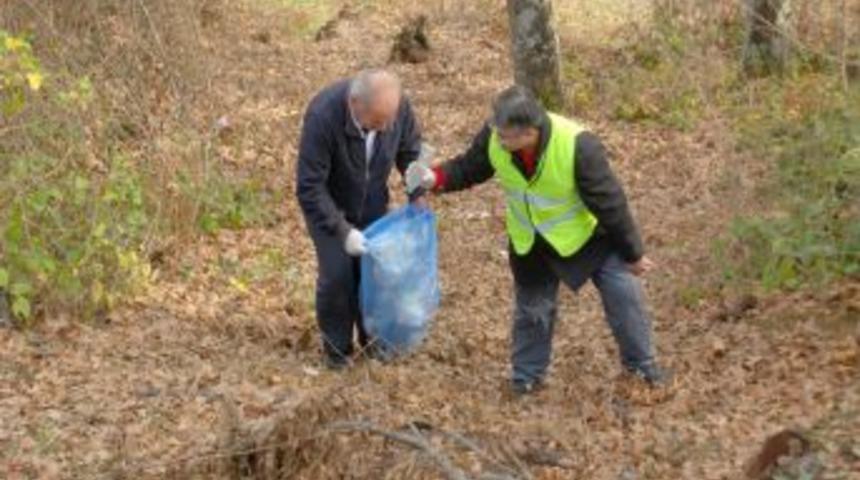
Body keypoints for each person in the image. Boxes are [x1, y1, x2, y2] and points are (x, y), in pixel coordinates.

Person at [406, 86, 670, 394]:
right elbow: (470, 167)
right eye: (498, 133)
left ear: (530, 132)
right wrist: (434, 178)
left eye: (506, 137)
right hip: (531, 241)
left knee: (624, 296)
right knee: (533, 311)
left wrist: (633, 254)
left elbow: (610, 202)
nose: (499, 141)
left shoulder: (578, 145)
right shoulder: (495, 133)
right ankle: (527, 378)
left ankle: (642, 367)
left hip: (588, 236)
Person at [296, 69, 423, 369]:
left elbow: (410, 152)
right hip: (329, 205)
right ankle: (337, 352)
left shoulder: (396, 107)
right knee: (338, 276)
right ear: (355, 104)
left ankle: (374, 342)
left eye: (390, 119)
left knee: (374, 273)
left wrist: (417, 192)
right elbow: (309, 186)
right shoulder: (323, 116)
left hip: (373, 201)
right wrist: (343, 231)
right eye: (379, 121)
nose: (387, 127)